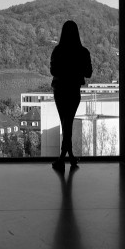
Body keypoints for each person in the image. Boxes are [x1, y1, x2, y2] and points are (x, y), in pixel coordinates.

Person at [50, 20, 92, 169]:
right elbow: (88, 73)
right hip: (74, 91)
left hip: (60, 90)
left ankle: (64, 158)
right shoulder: (83, 52)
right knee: (68, 123)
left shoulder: (57, 50)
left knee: (65, 123)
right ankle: (69, 157)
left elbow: (53, 71)